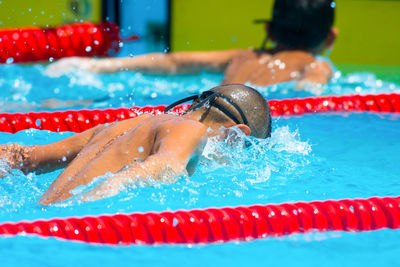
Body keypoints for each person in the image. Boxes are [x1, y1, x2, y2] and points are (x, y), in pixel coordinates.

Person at [0, 84, 271, 205]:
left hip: (38, 215)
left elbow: (22, 158)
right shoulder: (193, 131)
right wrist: (89, 204)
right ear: (237, 135)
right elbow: (163, 166)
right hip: (70, 227)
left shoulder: (123, 126)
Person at [47, 0, 337, 86]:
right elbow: (307, 95)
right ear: (330, 37)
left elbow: (172, 62)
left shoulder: (243, 56)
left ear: (270, 31)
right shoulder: (317, 65)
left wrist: (93, 66)